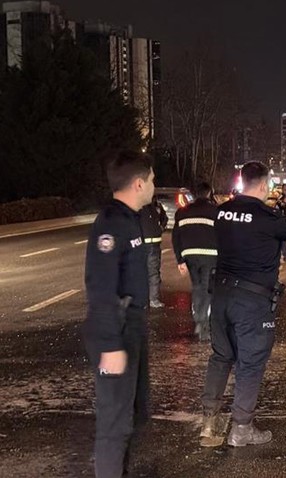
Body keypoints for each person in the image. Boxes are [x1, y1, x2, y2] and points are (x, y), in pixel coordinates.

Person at [201, 161, 286, 447]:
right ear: (263, 184)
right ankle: (241, 428)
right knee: (250, 363)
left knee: (221, 357)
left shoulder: (222, 211)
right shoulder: (266, 216)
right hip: (252, 301)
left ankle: (209, 423)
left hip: (221, 295)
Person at [82, 150, 155, 477]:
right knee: (115, 421)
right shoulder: (112, 222)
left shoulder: (129, 218)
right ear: (139, 184)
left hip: (132, 326)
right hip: (116, 329)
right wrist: (111, 345)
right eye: (152, 180)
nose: (155, 186)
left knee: (135, 412)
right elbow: (100, 286)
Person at [172, 182, 218, 340]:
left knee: (197, 287)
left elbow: (175, 237)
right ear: (208, 193)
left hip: (190, 255)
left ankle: (198, 318)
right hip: (211, 255)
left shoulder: (182, 212)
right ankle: (203, 321)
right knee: (207, 288)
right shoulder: (215, 211)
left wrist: (180, 260)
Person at [140, 196, 168, 308]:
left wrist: (160, 228)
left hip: (152, 244)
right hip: (143, 244)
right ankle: (151, 299)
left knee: (151, 272)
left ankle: (149, 299)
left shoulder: (156, 206)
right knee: (151, 272)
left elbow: (164, 218)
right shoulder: (140, 206)